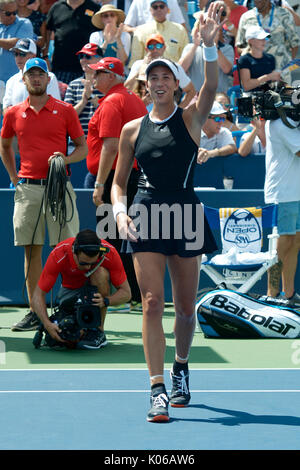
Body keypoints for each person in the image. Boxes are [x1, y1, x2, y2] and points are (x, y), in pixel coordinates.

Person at [111, 2, 223, 422]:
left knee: (187, 308)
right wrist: (120, 212)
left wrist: (209, 48)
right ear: (144, 86)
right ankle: (157, 387)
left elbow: (210, 86)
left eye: (165, 77)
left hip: (186, 213)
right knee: (153, 302)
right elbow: (119, 182)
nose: (158, 82)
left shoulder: (192, 118)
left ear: (176, 84)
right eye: (151, 77)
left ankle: (180, 367)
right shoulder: (131, 130)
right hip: (146, 212)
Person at [0, 57, 88, 331]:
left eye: (40, 75)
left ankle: (66, 308)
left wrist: (65, 158)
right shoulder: (13, 112)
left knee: (65, 251)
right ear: (23, 80)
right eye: (31, 75)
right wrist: (14, 177)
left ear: (48, 80)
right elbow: (5, 145)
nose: (36, 79)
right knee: (32, 251)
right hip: (28, 189)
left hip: (59, 188)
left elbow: (82, 148)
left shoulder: (65, 110)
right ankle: (36, 312)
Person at [86, 56, 147, 305]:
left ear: (112, 76)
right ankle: (134, 293)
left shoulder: (112, 101)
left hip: (114, 178)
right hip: (133, 176)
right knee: (128, 237)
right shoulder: (134, 99)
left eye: (99, 73)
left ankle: (121, 296)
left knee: (112, 240)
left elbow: (110, 147)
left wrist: (100, 184)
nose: (94, 76)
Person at [31, 229, 131, 349]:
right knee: (64, 334)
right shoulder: (59, 253)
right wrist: (47, 324)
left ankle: (98, 332)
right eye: (83, 263)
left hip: (96, 294)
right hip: (69, 292)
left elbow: (126, 293)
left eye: (93, 263)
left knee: (99, 272)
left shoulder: (110, 253)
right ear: (74, 252)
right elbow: (37, 295)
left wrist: (106, 301)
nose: (88, 267)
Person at [264, 109, 300, 306]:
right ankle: (272, 293)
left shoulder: (292, 124)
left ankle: (289, 293)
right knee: (284, 242)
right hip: (283, 192)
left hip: (296, 191)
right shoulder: (279, 124)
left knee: (295, 242)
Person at [236, 0, 299, 84]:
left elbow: (294, 43)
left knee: (281, 97)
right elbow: (239, 46)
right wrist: (248, 53)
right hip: (255, 77)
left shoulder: (284, 14)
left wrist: (286, 66)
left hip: (280, 76)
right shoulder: (246, 17)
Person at [125, 33, 196, 109]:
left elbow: (191, 91)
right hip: (142, 112)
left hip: (167, 114)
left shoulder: (174, 66)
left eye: (158, 46)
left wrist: (178, 111)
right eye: (151, 46)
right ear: (146, 49)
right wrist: (141, 69)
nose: (155, 50)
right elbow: (126, 89)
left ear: (164, 48)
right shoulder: (138, 64)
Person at [179, 7, 234, 93]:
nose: (208, 28)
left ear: (218, 29)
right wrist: (195, 46)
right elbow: (181, 69)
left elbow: (227, 69)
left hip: (219, 97)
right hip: (195, 97)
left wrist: (214, 46)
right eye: (205, 24)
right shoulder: (190, 48)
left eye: (212, 26)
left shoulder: (227, 49)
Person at [44, 0, 99, 84]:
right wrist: (45, 56)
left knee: (86, 96)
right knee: (59, 96)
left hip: (87, 68)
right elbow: (47, 32)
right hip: (61, 68)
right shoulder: (57, 7)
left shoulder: (94, 8)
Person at [2, 37, 60, 112]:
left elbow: (55, 107)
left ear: (33, 56)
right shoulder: (11, 81)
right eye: (16, 54)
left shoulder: (50, 77)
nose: (18, 58)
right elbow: (6, 108)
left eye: (22, 54)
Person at [128, 0, 189, 68]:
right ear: (150, 10)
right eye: (155, 7)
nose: (159, 9)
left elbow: (185, 57)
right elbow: (135, 61)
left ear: (168, 9)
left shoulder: (180, 30)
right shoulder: (140, 31)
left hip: (174, 74)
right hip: (147, 75)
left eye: (162, 6)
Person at [64, 42, 104, 138]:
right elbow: (66, 117)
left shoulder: (106, 85)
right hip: (77, 144)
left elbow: (109, 116)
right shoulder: (73, 85)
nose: (83, 60)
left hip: (99, 142)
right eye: (81, 56)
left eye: (88, 56)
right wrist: (83, 101)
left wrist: (92, 97)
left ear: (100, 59)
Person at [237, 25, 281, 92]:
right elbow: (246, 86)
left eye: (265, 38)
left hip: (269, 97)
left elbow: (273, 83)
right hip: (252, 99)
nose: (264, 41)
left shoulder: (270, 58)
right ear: (250, 41)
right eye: (260, 39)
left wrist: (277, 78)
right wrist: (268, 77)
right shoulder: (244, 60)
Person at [0, 0, 34, 83]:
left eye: (15, 12)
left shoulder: (25, 23)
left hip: (17, 81)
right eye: (8, 13)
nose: (12, 16)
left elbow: (17, 44)